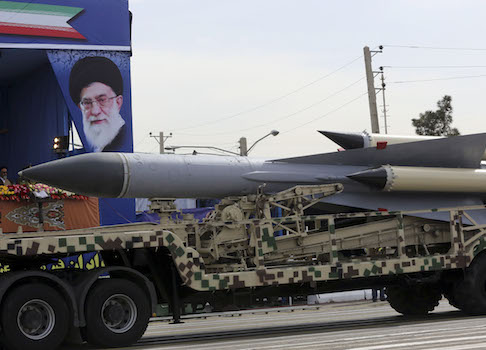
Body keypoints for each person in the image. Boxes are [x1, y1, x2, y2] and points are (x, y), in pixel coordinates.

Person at [69, 56, 126, 152]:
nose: (95, 111)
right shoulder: (98, 149)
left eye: (102, 100)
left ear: (118, 102)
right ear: (80, 107)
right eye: (87, 103)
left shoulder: (122, 143)